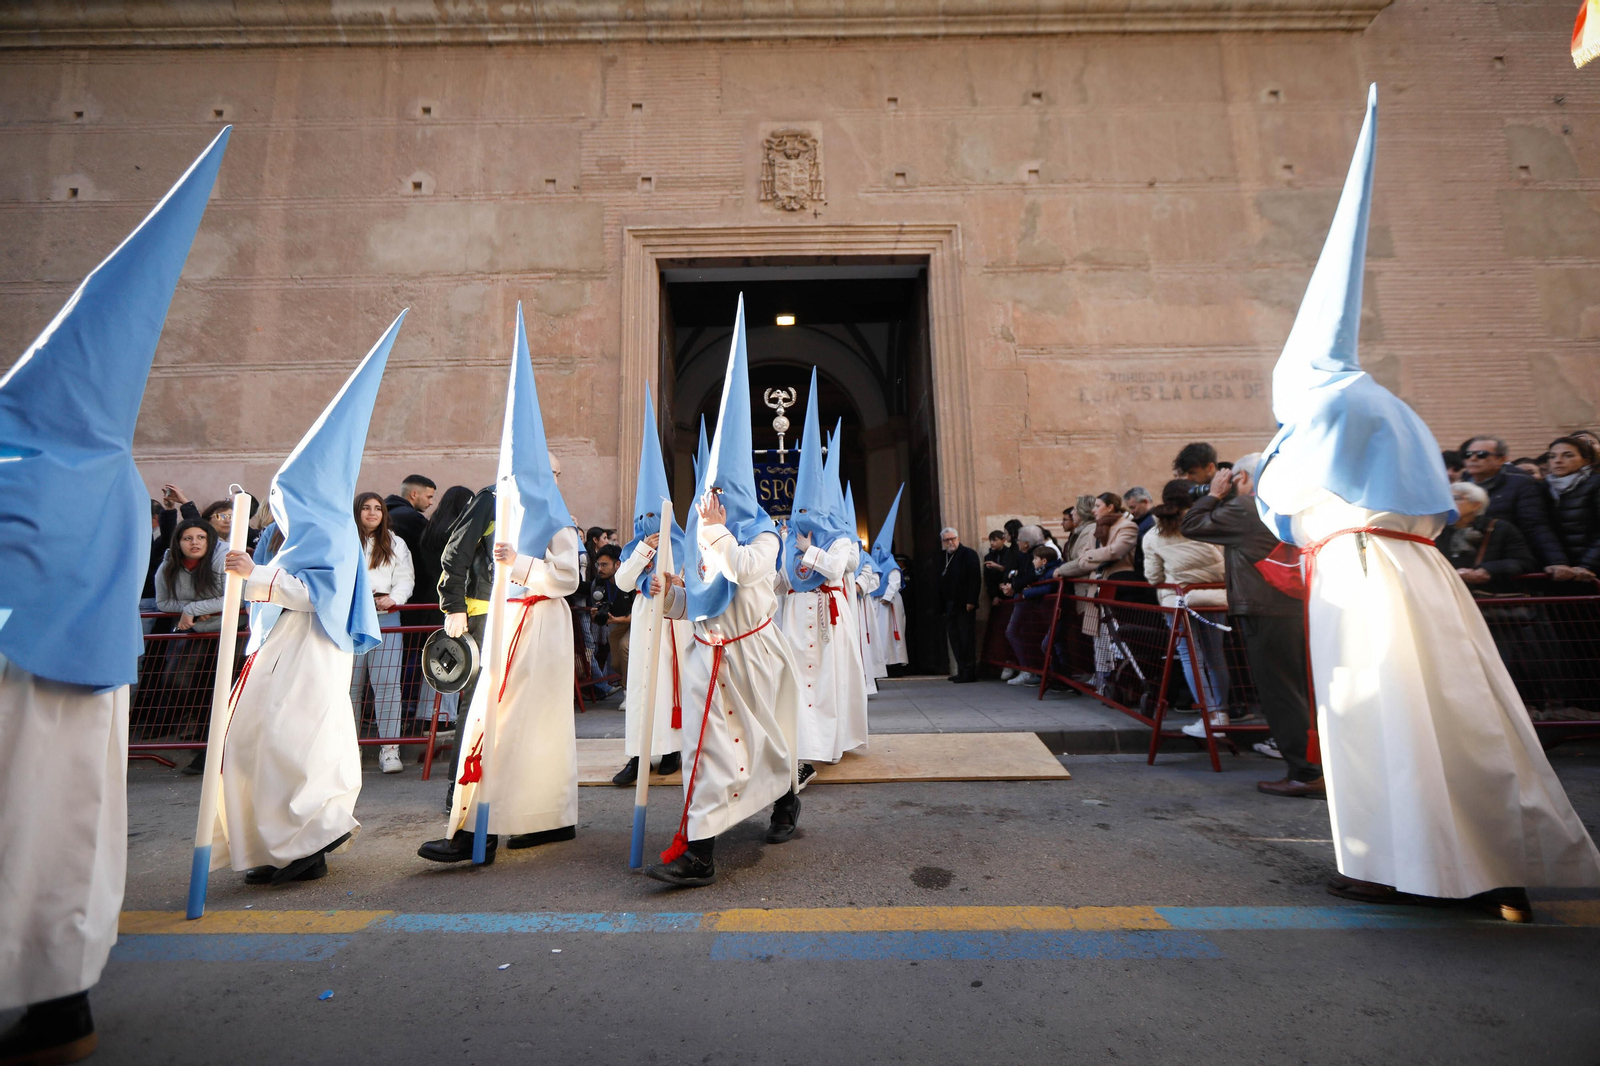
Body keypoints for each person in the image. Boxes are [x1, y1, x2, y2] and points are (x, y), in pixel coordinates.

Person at [1257, 87, 1600, 920]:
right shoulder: (1384, 403)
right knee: (1454, 717)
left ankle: (1398, 863)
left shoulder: (1334, 404)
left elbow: (1282, 496)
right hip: (1412, 572)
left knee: (1382, 720)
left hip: (1363, 575)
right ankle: (1486, 859)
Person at [0, 125, 228, 1066]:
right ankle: (61, 999)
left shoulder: (27, 468)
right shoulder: (115, 481)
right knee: (66, 833)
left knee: (28, 830)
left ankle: (54, 1002)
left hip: (26, 680)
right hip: (87, 678)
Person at [213, 310, 406, 888]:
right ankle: (275, 845)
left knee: (292, 745)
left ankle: (306, 843)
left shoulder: (332, 532)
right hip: (285, 650)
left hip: (310, 652)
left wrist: (257, 576)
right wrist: (258, 575)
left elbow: (317, 592)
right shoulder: (304, 534)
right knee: (260, 743)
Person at [644, 297, 803, 887]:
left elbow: (745, 571)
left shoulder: (763, 536)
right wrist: (671, 594)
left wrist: (713, 534)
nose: (710, 506)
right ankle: (700, 853)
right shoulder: (707, 535)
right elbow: (703, 602)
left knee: (764, 746)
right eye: (707, 498)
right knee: (708, 753)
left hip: (751, 655)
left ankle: (785, 798)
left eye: (719, 498)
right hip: (707, 655)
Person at [419, 307, 581, 865]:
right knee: (492, 720)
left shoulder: (557, 518)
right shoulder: (495, 504)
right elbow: (457, 554)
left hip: (539, 624)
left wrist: (522, 565)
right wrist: (458, 603)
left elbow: (568, 577)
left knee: (529, 725)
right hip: (503, 621)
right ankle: (477, 825)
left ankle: (532, 819)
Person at [1182, 455, 1321, 796]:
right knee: (1300, 691)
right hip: (1296, 605)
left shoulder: (1248, 506)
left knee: (1280, 694)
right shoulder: (1290, 505)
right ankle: (1317, 768)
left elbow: (1192, 525)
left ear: (1243, 477)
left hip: (1264, 610)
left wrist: (1214, 494)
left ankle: (1305, 774)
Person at [775, 375, 870, 770]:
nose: (805, 517)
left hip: (829, 614)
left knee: (829, 681)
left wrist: (807, 549)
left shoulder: (842, 540)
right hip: (797, 616)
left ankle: (830, 742)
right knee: (798, 680)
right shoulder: (789, 539)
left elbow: (836, 568)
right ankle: (801, 744)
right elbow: (781, 582)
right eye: (800, 510)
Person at [612, 387, 687, 786]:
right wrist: (643, 551)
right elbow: (624, 580)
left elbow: (691, 581)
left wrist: (674, 581)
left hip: (672, 622)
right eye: (641, 517)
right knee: (641, 687)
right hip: (644, 619)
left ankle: (672, 748)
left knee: (668, 685)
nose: (647, 523)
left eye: (653, 516)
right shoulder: (635, 547)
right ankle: (637, 755)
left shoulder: (681, 544)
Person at [1142, 481, 1229, 731]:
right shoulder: (1208, 522)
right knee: (1216, 656)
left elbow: (1153, 577)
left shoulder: (1153, 534)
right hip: (1214, 597)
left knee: (1190, 658)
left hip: (1179, 601)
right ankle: (1221, 714)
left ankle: (1208, 715)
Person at [155, 518, 231, 774]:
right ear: (178, 543)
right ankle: (203, 731)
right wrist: (192, 611)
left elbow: (237, 595)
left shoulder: (223, 558)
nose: (194, 543)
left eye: (201, 537)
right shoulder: (169, 564)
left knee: (220, 689)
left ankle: (211, 750)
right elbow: (163, 603)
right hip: (198, 631)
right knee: (175, 680)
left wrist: (194, 609)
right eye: (188, 538)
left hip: (233, 630)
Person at [349, 491, 415, 774]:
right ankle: (349, 748)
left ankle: (390, 749)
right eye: (366, 508)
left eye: (378, 508)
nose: (372, 513)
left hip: (386, 617)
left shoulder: (395, 542)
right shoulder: (344, 538)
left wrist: (394, 599)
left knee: (387, 685)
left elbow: (405, 578)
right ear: (357, 511)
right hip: (350, 618)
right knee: (348, 687)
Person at [1053, 493, 1139, 693]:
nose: (1094, 509)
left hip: (1116, 588)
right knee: (1098, 638)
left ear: (1110, 507)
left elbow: (1115, 552)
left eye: (1098, 505)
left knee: (1114, 638)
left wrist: (1091, 556)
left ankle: (1116, 681)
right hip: (1096, 590)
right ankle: (1102, 682)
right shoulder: (1097, 530)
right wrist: (1094, 557)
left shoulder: (1126, 526)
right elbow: (1084, 561)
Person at [1462, 435, 1568, 570]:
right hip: (1465, 560)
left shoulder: (1521, 484)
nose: (1473, 459)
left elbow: (1535, 526)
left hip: (1507, 560)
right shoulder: (1458, 488)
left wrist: (1557, 561)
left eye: (1481, 455)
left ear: (1501, 459)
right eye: (1468, 455)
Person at [1435, 481, 1535, 593]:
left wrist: (1487, 570)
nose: (1448, 502)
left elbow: (1524, 562)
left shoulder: (1499, 528)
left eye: (1455, 498)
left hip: (1488, 594)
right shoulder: (1436, 530)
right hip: (1446, 593)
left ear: (1476, 505)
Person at [1545, 436, 1600, 580]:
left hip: (1590, 570)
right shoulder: (1542, 487)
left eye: (1568, 455)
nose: (1558, 461)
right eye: (1552, 456)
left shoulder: (1596, 483)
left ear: (1586, 460)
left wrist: (1587, 565)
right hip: (1557, 570)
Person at [869, 485, 909, 675]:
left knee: (891, 635)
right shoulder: (874, 564)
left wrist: (886, 597)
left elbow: (894, 582)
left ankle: (895, 665)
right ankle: (883, 665)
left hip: (889, 603)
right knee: (880, 636)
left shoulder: (891, 565)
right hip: (877, 604)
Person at [939, 527, 981, 683]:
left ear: (958, 538)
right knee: (955, 638)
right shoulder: (943, 556)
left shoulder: (969, 554)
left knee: (966, 638)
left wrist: (972, 600)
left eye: (953, 539)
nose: (950, 542)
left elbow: (975, 579)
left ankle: (969, 672)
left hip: (964, 604)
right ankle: (961, 669)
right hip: (949, 604)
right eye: (947, 540)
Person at [383, 474, 435, 560]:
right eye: (428, 497)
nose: (431, 502)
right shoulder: (413, 518)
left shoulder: (384, 512)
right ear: (414, 494)